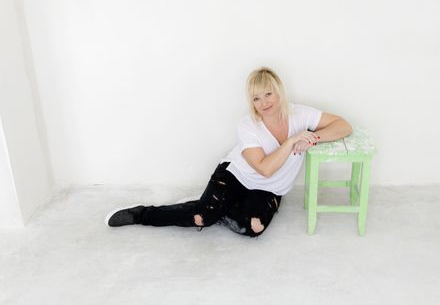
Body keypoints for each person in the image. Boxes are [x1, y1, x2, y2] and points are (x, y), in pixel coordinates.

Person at [105, 67, 353, 237]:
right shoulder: (248, 126)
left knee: (253, 228)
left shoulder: (300, 114)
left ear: (279, 91)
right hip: (237, 175)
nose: (264, 102)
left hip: (270, 188)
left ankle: (216, 209)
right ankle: (142, 214)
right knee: (201, 218)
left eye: (268, 94)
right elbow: (265, 168)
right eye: (257, 98)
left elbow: (343, 125)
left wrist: (313, 138)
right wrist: (293, 141)